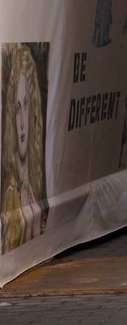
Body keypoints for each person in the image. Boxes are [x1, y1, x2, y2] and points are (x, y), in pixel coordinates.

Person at [2, 45, 46, 252]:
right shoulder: (11, 189)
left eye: (26, 105)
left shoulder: (36, 181)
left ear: (33, 110)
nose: (21, 124)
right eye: (17, 108)